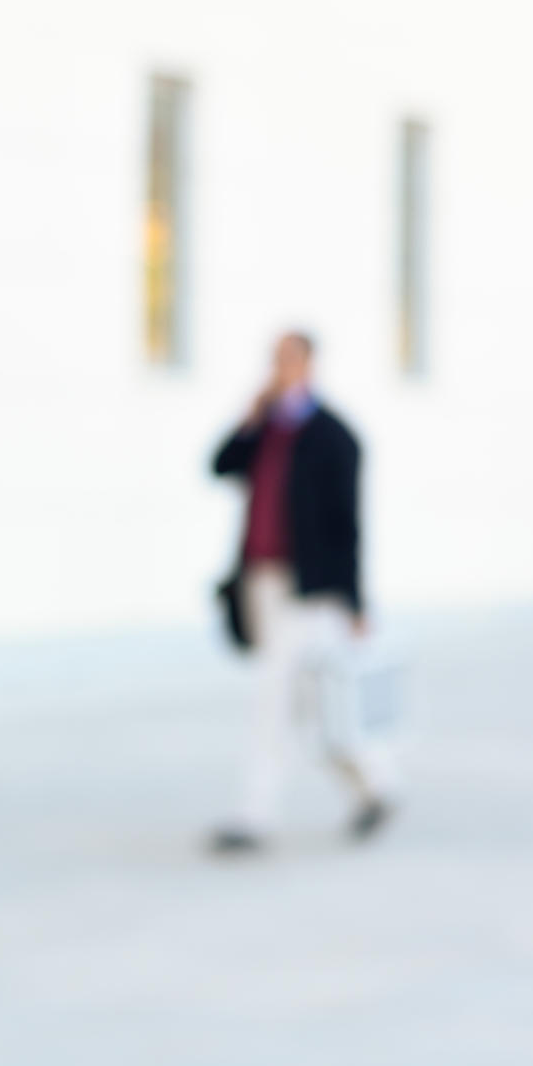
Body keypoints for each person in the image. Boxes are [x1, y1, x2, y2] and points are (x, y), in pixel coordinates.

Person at [208, 331, 396, 853]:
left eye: (289, 359)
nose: (279, 368)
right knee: (311, 703)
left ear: (310, 363)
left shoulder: (334, 436)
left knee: (281, 697)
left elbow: (349, 525)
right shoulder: (265, 428)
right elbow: (220, 466)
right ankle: (376, 786)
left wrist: (355, 601)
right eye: (274, 359)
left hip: (309, 590)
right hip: (261, 581)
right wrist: (249, 417)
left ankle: (255, 815)